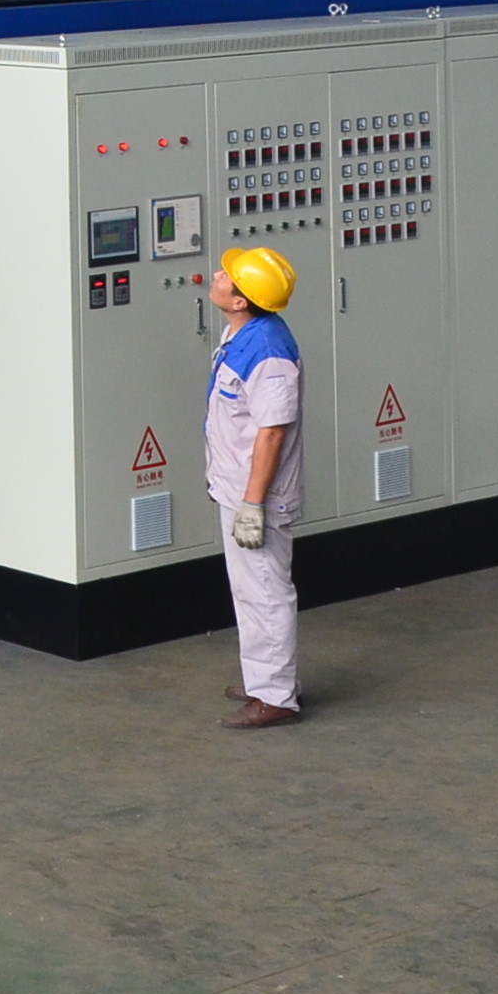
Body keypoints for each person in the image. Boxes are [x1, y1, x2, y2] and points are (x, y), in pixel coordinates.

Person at [206, 244, 304, 729]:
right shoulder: (242, 334)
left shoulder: (267, 352)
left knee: (265, 590)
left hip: (257, 495)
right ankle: (263, 677)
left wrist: (253, 504)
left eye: (227, 275)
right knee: (249, 590)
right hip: (237, 486)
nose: (217, 275)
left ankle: (276, 696)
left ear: (241, 300)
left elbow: (272, 433)